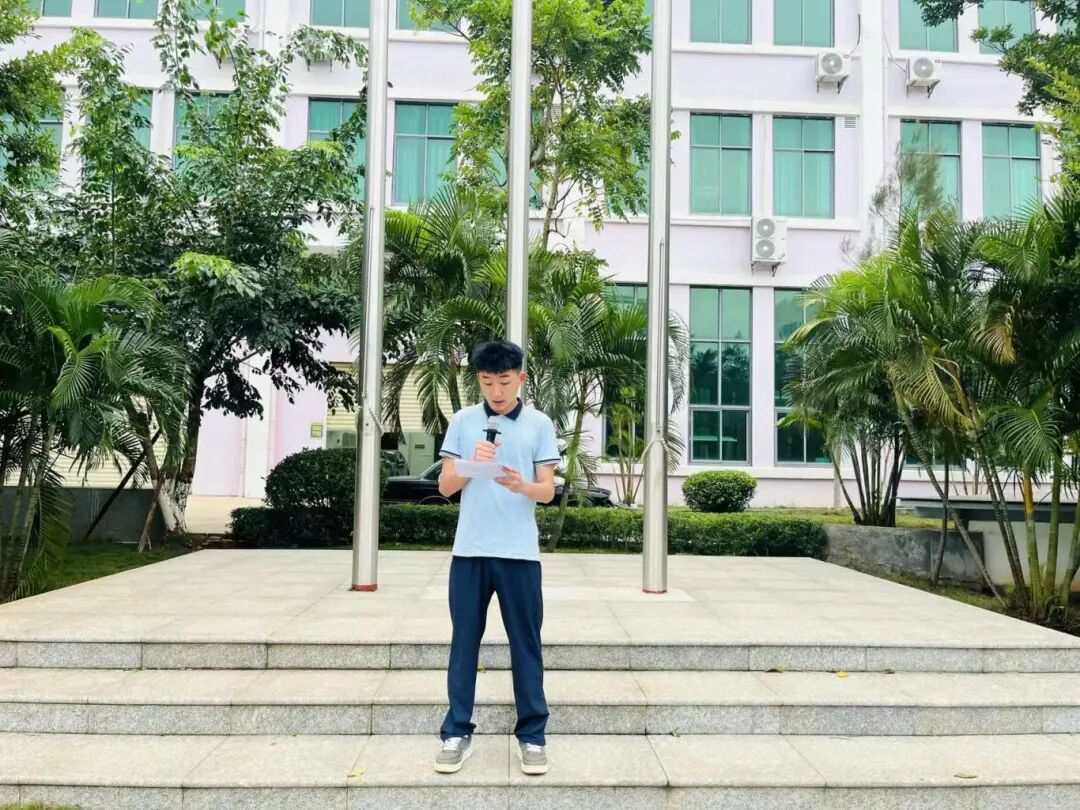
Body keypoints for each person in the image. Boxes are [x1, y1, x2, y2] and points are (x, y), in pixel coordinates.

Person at [433, 340, 559, 777]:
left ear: (521, 378)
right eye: (487, 382)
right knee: (463, 643)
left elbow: (548, 491)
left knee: (526, 645)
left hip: (519, 553)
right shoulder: (464, 422)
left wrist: (522, 486)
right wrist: (470, 462)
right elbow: (445, 487)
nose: (496, 391)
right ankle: (456, 732)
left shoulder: (540, 424)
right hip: (469, 551)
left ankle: (533, 736)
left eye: (504, 381)